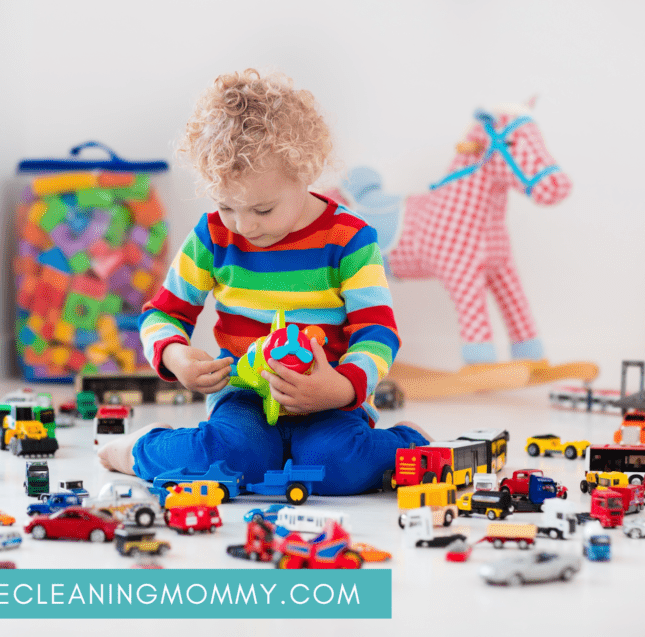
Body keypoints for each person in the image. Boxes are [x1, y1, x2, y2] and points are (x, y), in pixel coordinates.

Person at [98, 69, 430, 495]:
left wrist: (342, 386)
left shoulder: (350, 239)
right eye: (227, 206)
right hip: (245, 395)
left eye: (263, 209)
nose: (244, 225)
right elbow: (163, 313)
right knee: (236, 463)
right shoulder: (214, 235)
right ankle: (140, 450)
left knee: (336, 468)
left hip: (328, 398)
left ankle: (407, 440)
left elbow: (378, 332)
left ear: (304, 173)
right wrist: (176, 357)